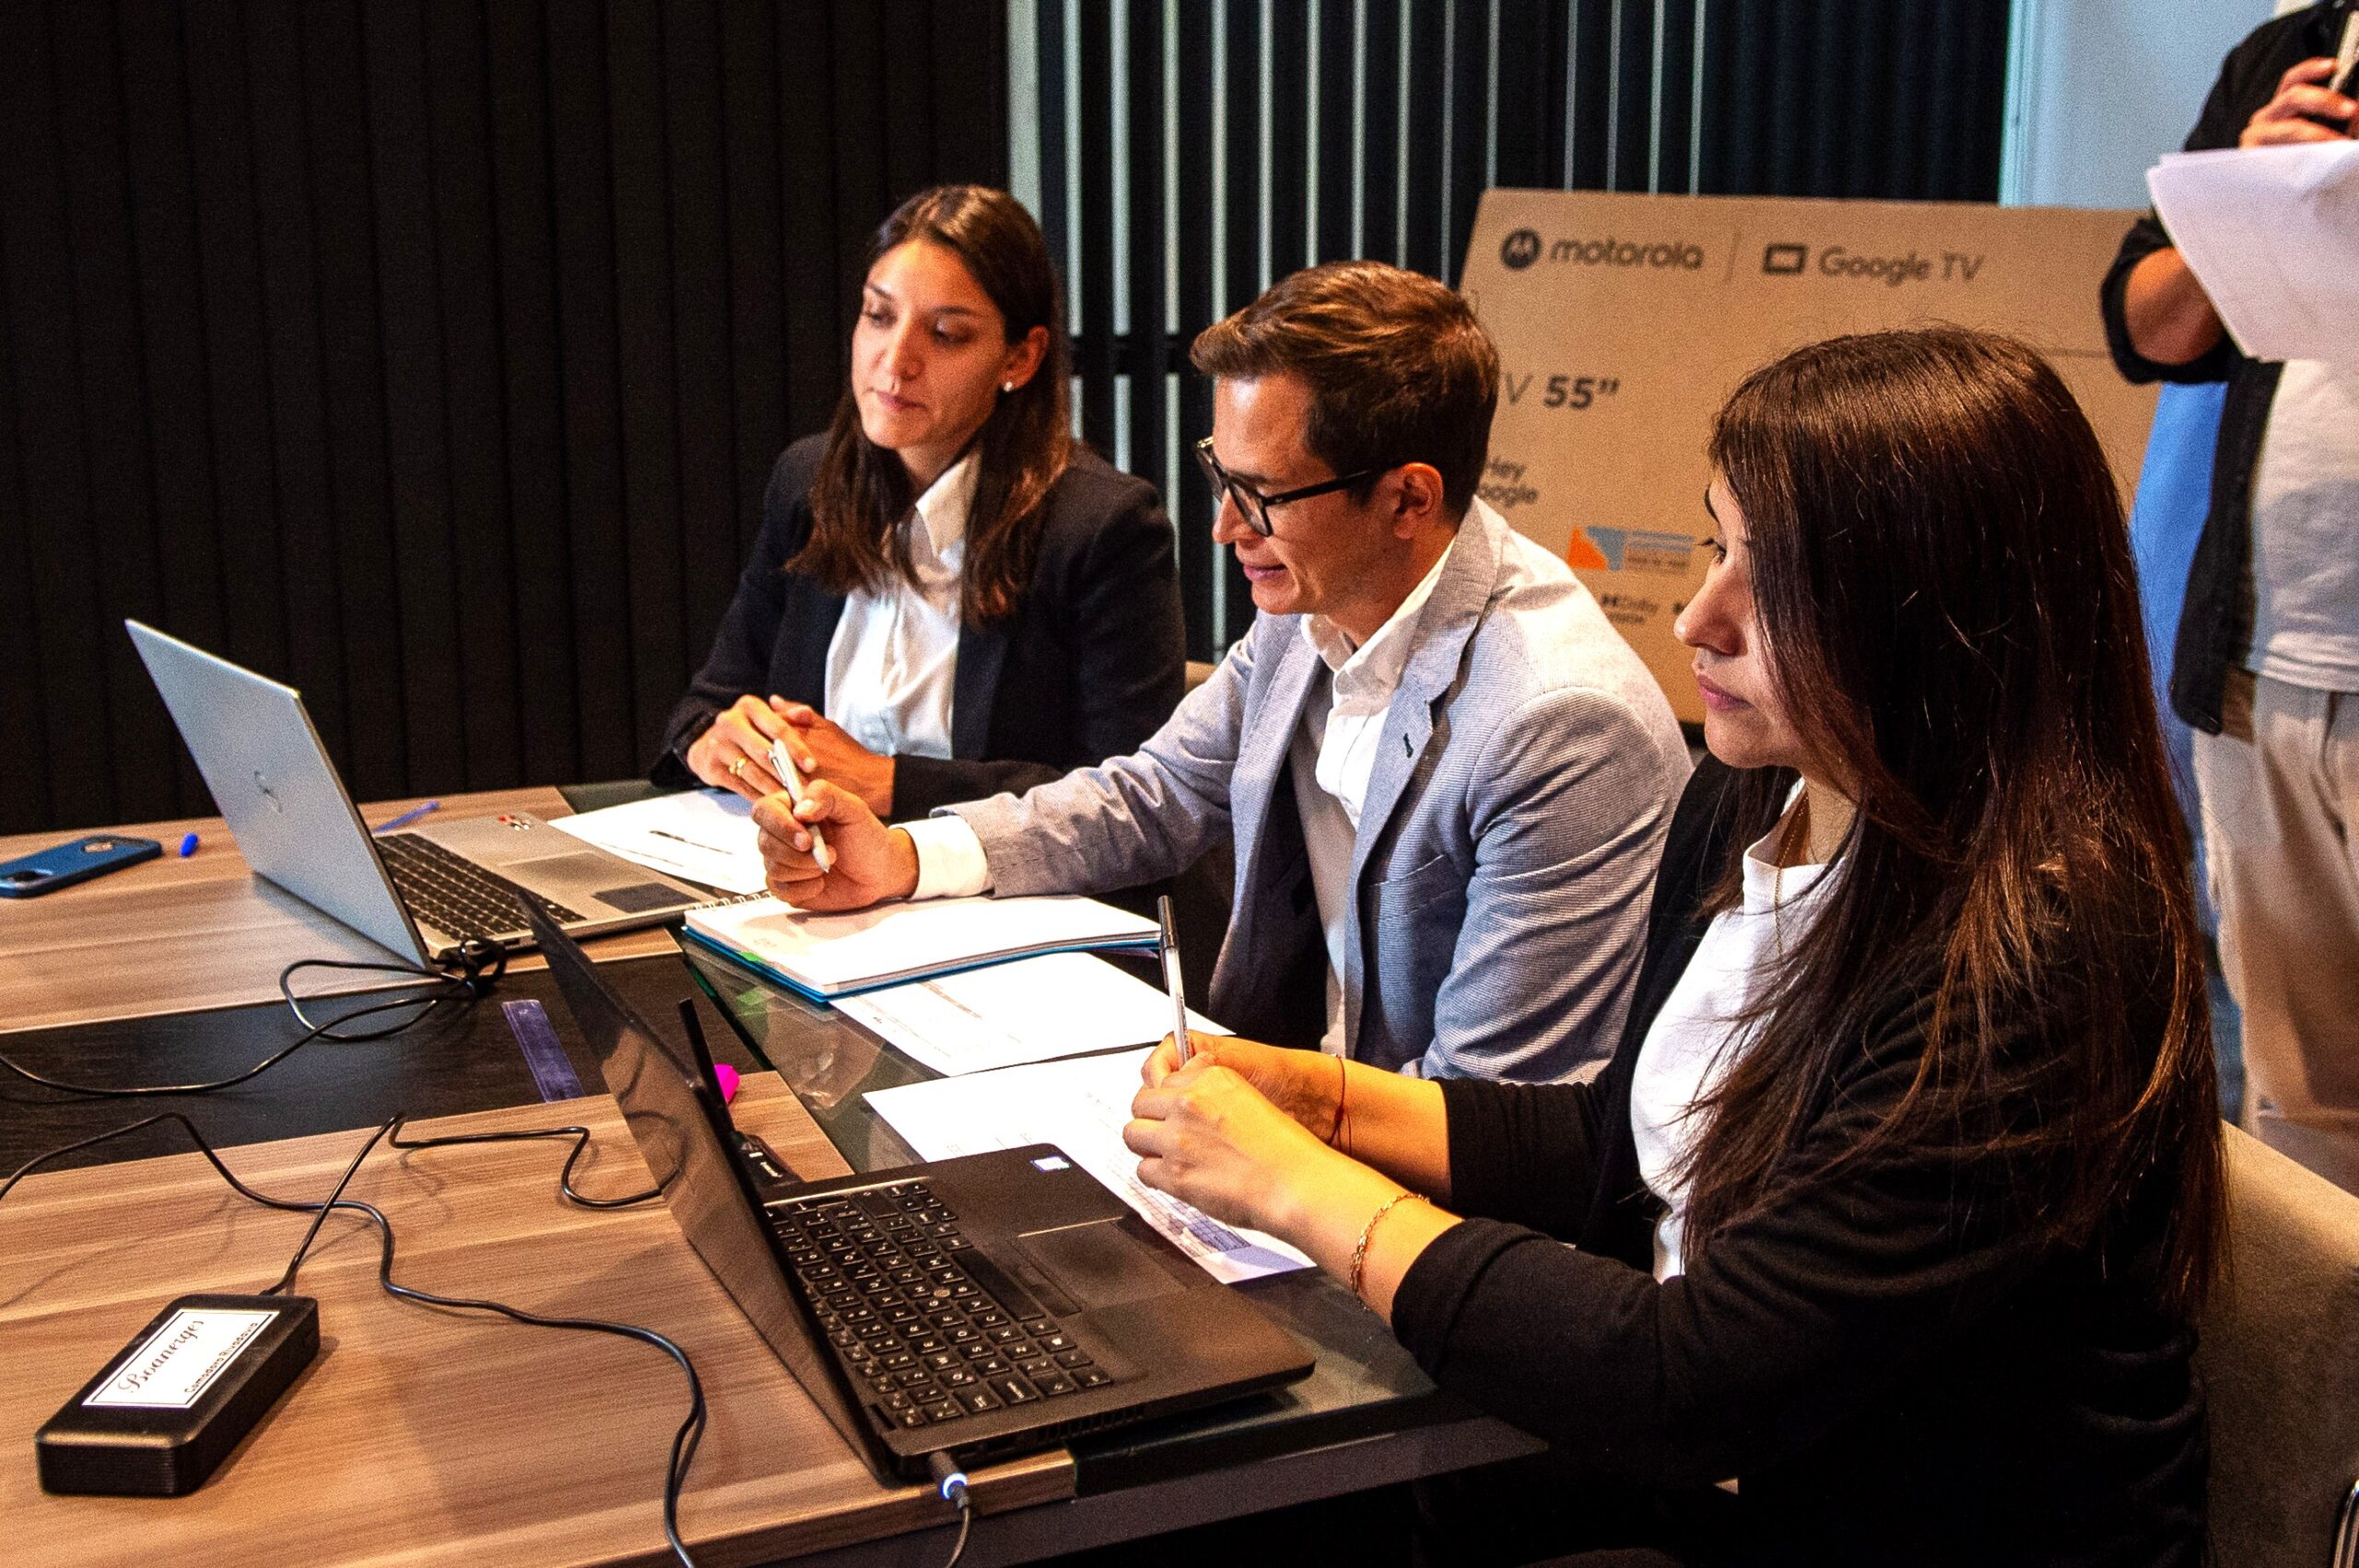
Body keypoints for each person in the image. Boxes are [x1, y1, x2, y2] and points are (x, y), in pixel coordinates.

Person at [1123, 329, 2223, 1565]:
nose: (1700, 616)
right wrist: (1324, 1100)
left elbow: (1688, 1380)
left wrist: (1292, 1179)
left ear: (1943, 617)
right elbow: (1621, 1143)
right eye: (1716, 546)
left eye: (1776, 579)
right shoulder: (1756, 794)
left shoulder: (2039, 957)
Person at [757, 260, 1689, 1083]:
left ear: (1408, 499)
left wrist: (1262, 1120)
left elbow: (1495, 1100)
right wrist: (906, 858)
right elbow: (1153, 795)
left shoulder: (1559, 722)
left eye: (1263, 494)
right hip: (1307, 1102)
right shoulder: (1312, 602)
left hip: (1424, 1176)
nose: (1225, 527)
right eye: (1221, 475)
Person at [654, 184, 1186, 822]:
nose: (896, 360)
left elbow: (1129, 801)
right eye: (879, 316)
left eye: (946, 334)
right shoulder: (808, 481)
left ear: (1020, 358)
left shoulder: (1101, 527)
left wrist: (889, 783)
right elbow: (708, 703)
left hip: (985, 878)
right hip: (791, 863)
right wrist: (714, 742)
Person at [2101, 0, 2359, 1193]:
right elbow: (2142, 323)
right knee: (2294, 1098)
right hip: (2257, 663)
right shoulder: (2288, 53)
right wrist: (2246, 202)